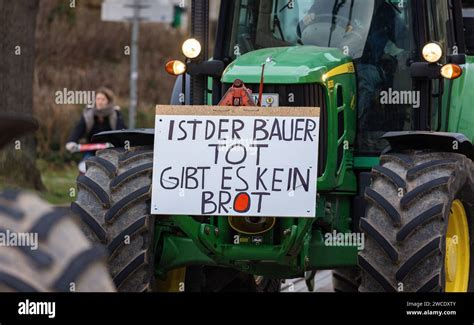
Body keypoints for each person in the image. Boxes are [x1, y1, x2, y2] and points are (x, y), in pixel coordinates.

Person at [65, 87, 126, 154]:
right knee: (83, 164)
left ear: (108, 101)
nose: (100, 102)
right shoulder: (88, 114)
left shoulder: (115, 114)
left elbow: (121, 130)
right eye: (98, 99)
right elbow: (79, 128)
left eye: (103, 99)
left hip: (112, 152)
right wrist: (72, 141)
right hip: (91, 152)